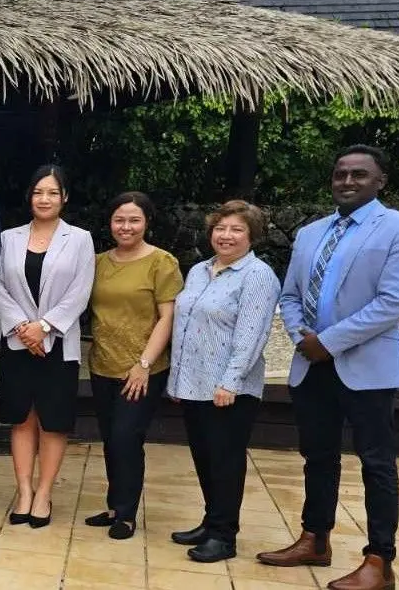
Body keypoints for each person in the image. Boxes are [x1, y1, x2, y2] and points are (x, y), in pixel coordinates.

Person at [258, 145, 399, 590]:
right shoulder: (311, 232)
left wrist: (328, 342)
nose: (347, 182)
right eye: (340, 174)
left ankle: (379, 560)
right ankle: (315, 538)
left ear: (380, 181)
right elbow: (290, 295)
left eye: (359, 175)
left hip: (365, 366)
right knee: (318, 456)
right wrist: (302, 339)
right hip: (311, 365)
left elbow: (395, 302)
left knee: (377, 463)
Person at [168, 200, 281, 563]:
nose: (226, 236)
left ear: (252, 236)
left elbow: (252, 335)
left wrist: (230, 382)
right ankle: (211, 520)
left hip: (228, 389)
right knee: (204, 456)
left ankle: (224, 535)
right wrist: (177, 380)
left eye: (236, 230)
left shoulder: (258, 276)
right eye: (220, 228)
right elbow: (184, 326)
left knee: (225, 460)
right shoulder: (200, 270)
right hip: (194, 383)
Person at [0, 165, 94, 530]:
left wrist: (44, 328)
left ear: (64, 197)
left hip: (59, 346)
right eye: (38, 192)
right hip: (16, 344)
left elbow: (80, 291)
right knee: (21, 418)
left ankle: (45, 493)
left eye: (52, 192)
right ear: (29, 196)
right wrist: (23, 328)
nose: (44, 199)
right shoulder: (6, 238)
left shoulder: (80, 239)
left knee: (53, 421)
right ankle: (23, 491)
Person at [84, 191, 181, 540]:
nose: (126, 226)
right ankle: (113, 505)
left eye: (134, 220)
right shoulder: (97, 262)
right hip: (102, 364)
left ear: (147, 223)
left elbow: (167, 317)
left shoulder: (162, 262)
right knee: (111, 438)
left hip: (141, 370)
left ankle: (126, 512)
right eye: (119, 220)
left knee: (127, 437)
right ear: (110, 223)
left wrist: (143, 364)